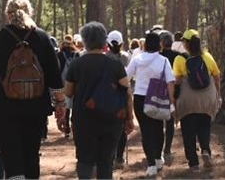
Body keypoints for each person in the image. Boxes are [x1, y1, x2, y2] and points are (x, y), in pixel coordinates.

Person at [0, 0, 66, 179]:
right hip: (36, 109)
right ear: (30, 12)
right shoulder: (42, 38)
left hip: (5, 110)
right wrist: (60, 105)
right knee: (31, 155)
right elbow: (55, 79)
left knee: (12, 157)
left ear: (7, 14)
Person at [64, 22, 134, 179]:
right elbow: (127, 93)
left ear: (84, 41)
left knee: (84, 160)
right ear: (104, 41)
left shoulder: (77, 64)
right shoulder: (115, 64)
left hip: (83, 119)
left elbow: (68, 92)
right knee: (105, 161)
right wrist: (129, 117)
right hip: (111, 119)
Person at [126, 32, 176, 177]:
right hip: (158, 98)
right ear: (159, 44)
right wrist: (172, 103)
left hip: (140, 98)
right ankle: (158, 158)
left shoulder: (137, 59)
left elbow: (127, 77)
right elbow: (170, 82)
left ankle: (151, 164)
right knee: (158, 128)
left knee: (146, 131)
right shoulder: (164, 61)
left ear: (145, 44)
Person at [172, 29, 221, 173]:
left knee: (188, 131)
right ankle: (205, 150)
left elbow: (177, 81)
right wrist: (218, 94)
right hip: (206, 99)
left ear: (185, 43)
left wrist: (174, 99)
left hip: (188, 100)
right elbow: (216, 76)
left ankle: (193, 163)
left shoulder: (180, 59)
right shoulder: (207, 57)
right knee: (204, 126)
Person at [105, 30, 131, 169]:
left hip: (107, 97)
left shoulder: (104, 58)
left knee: (108, 128)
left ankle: (110, 155)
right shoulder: (126, 58)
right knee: (122, 128)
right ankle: (119, 157)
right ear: (121, 43)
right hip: (122, 96)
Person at [158, 30, 186, 159]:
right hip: (174, 92)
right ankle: (167, 149)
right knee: (170, 121)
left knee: (158, 121)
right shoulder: (179, 56)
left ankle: (157, 149)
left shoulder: (157, 56)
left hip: (158, 91)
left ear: (161, 43)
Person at [58, 35, 80, 139]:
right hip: (76, 84)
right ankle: (75, 128)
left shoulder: (59, 55)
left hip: (63, 84)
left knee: (65, 108)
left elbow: (57, 70)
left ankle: (66, 130)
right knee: (75, 108)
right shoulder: (77, 54)